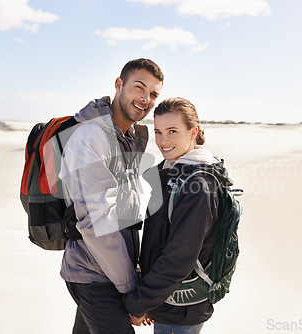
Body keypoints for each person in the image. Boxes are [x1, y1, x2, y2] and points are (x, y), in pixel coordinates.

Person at [58, 58, 164, 333]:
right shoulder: (91, 137)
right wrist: (130, 288)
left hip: (112, 271)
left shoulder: (128, 136)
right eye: (139, 87)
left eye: (153, 94)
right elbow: (97, 222)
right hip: (94, 275)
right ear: (119, 85)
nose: (146, 99)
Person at [125, 97, 233, 334]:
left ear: (193, 132)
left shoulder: (198, 186)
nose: (163, 140)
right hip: (167, 304)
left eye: (172, 131)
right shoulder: (172, 173)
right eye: (158, 131)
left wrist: (140, 301)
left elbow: (178, 259)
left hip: (180, 312)